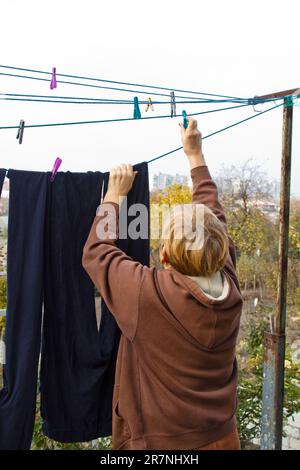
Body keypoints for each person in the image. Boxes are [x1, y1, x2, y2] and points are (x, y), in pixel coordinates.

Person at [82, 117, 243, 450]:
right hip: (223, 438)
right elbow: (213, 212)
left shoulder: (148, 295)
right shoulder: (229, 284)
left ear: (166, 258)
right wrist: (195, 156)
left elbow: (96, 252)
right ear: (222, 249)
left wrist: (114, 194)